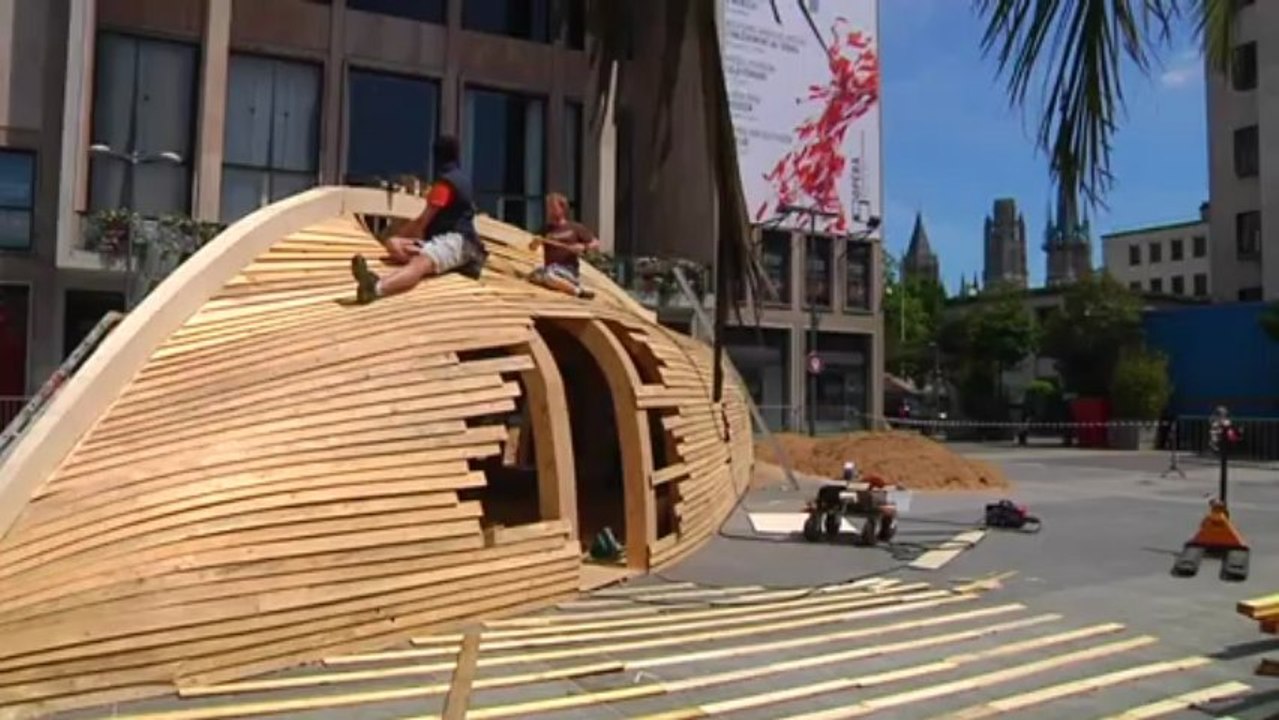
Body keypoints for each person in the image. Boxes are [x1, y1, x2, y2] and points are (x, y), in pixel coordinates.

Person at [350, 135, 487, 304]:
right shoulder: (460, 179)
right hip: (442, 240)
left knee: (419, 263)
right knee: (394, 244)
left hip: (458, 243)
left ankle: (376, 288)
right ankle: (429, 259)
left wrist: (403, 235)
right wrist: (397, 240)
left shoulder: (445, 186)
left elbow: (423, 222)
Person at [527, 193, 598, 299]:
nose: (550, 211)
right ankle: (560, 283)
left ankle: (577, 291)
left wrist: (583, 247)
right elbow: (531, 248)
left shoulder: (574, 227)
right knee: (533, 276)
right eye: (549, 207)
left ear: (562, 208)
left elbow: (595, 243)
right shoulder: (546, 229)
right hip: (551, 268)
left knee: (548, 276)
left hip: (568, 270)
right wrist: (535, 243)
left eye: (553, 207)